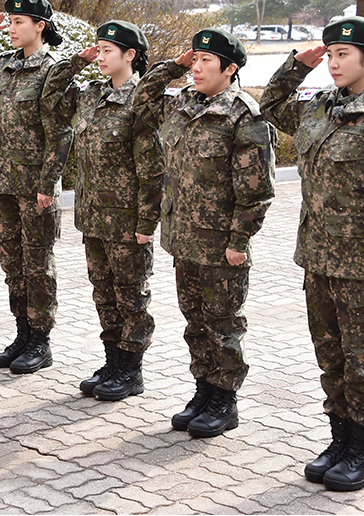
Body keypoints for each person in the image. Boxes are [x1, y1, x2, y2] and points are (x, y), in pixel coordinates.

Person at [260, 16, 364, 492]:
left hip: (363, 268)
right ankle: (340, 440)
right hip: (318, 259)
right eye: (329, 54)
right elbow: (270, 106)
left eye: (342, 54)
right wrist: (296, 65)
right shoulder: (321, 107)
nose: (332, 63)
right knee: (331, 357)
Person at [132, 28, 276, 437]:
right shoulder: (183, 103)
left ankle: (224, 401)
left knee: (222, 325)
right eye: (194, 60)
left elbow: (257, 190)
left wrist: (239, 241)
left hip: (221, 245)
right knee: (195, 322)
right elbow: (141, 99)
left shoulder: (243, 116)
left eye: (205, 61)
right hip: (184, 239)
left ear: (229, 69)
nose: (196, 68)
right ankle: (203, 391)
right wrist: (172, 67)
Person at [0, 0, 89, 374]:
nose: (11, 29)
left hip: (34, 187)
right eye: (9, 22)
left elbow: (61, 133)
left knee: (37, 266)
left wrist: (48, 183)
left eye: (18, 22)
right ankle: (22, 334)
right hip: (4, 184)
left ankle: (40, 341)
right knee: (12, 263)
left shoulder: (53, 71)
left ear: (40, 26)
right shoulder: (1, 67)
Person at [44, 20, 163, 400]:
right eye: (98, 49)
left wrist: (147, 221)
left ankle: (131, 370)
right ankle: (112, 362)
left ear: (130, 55)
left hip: (127, 221)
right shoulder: (92, 95)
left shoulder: (140, 101)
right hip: (94, 218)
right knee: (104, 294)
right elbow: (49, 96)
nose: (100, 55)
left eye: (107, 50)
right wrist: (76, 62)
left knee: (131, 297)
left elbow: (152, 168)